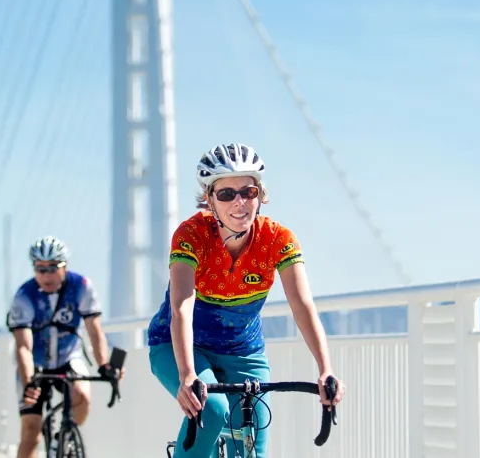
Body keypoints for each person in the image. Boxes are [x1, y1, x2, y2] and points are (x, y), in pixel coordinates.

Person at [146, 143, 347, 457]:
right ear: (209, 199)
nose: (239, 202)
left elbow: (302, 304)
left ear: (260, 195)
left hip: (243, 349)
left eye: (248, 192)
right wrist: (187, 375)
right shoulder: (191, 235)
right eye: (226, 194)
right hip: (180, 345)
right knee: (211, 410)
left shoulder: (278, 239)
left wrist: (326, 369)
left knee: (254, 442)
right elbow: (181, 307)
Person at [5, 236, 122, 458]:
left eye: (52, 268)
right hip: (35, 363)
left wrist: (105, 364)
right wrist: (29, 382)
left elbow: (94, 330)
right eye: (40, 269)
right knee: (31, 431)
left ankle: (63, 437)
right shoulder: (23, 296)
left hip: (69, 356)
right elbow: (23, 347)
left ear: (65, 266)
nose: (47, 275)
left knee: (82, 396)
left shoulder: (81, 286)